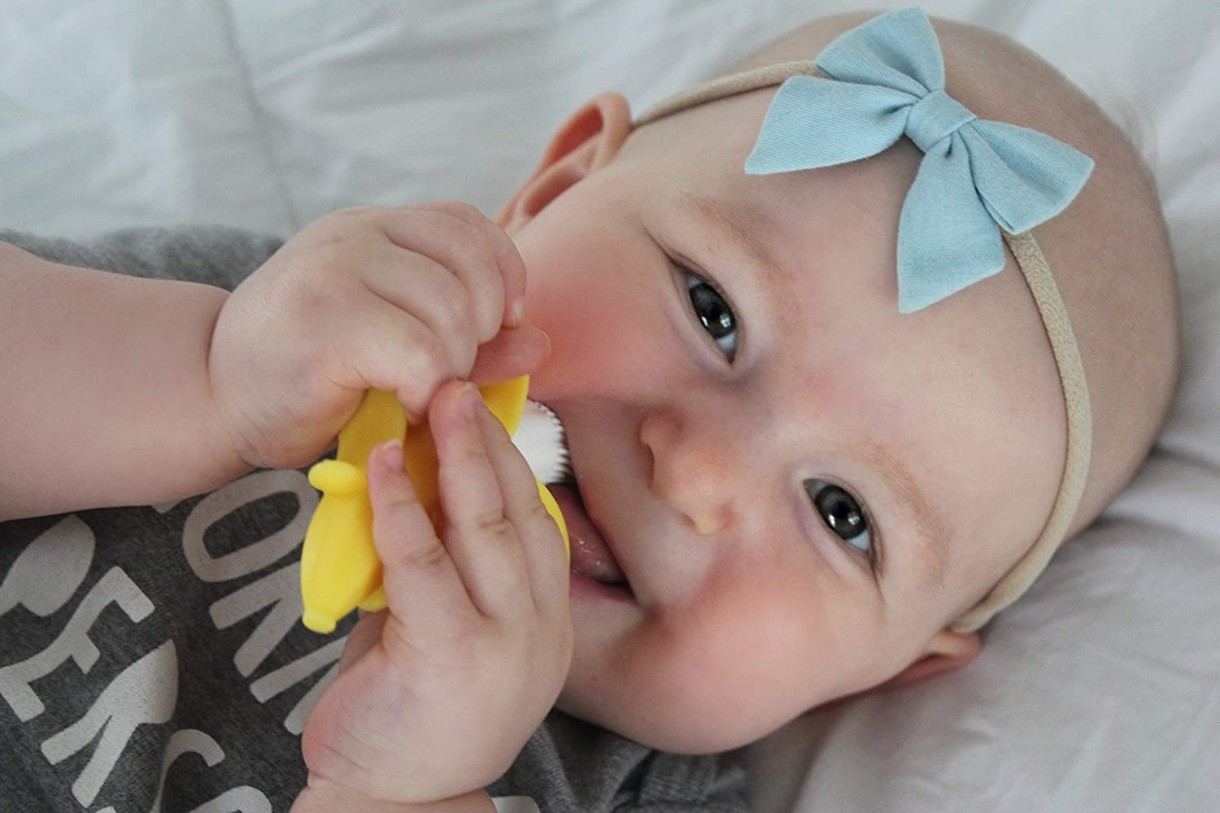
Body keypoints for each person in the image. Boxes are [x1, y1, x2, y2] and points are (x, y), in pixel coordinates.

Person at [0, 7, 1178, 813]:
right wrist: (203, 381)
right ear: (556, 187)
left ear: (885, 673)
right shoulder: (286, 330)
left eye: (841, 513)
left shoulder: (639, 795)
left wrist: (403, 794)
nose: (692, 473)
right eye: (713, 311)